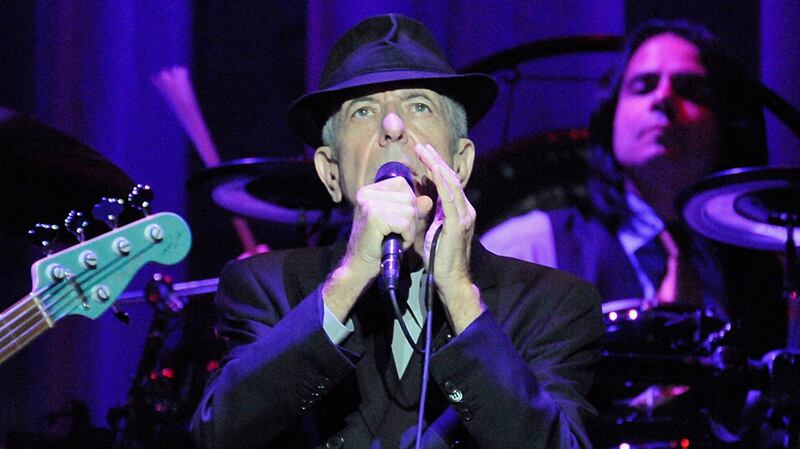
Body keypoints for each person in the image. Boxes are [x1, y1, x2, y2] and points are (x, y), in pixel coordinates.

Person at [190, 13, 604, 449]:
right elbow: (218, 435)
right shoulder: (264, 286)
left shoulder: (553, 304)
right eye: (363, 111)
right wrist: (349, 280)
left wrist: (459, 294)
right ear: (330, 173)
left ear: (461, 163)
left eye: (419, 106)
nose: (392, 127)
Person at [481, 19, 788, 446]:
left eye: (689, 90)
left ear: (725, 124)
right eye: (643, 86)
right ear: (611, 118)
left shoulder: (767, 272)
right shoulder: (528, 249)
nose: (663, 99)